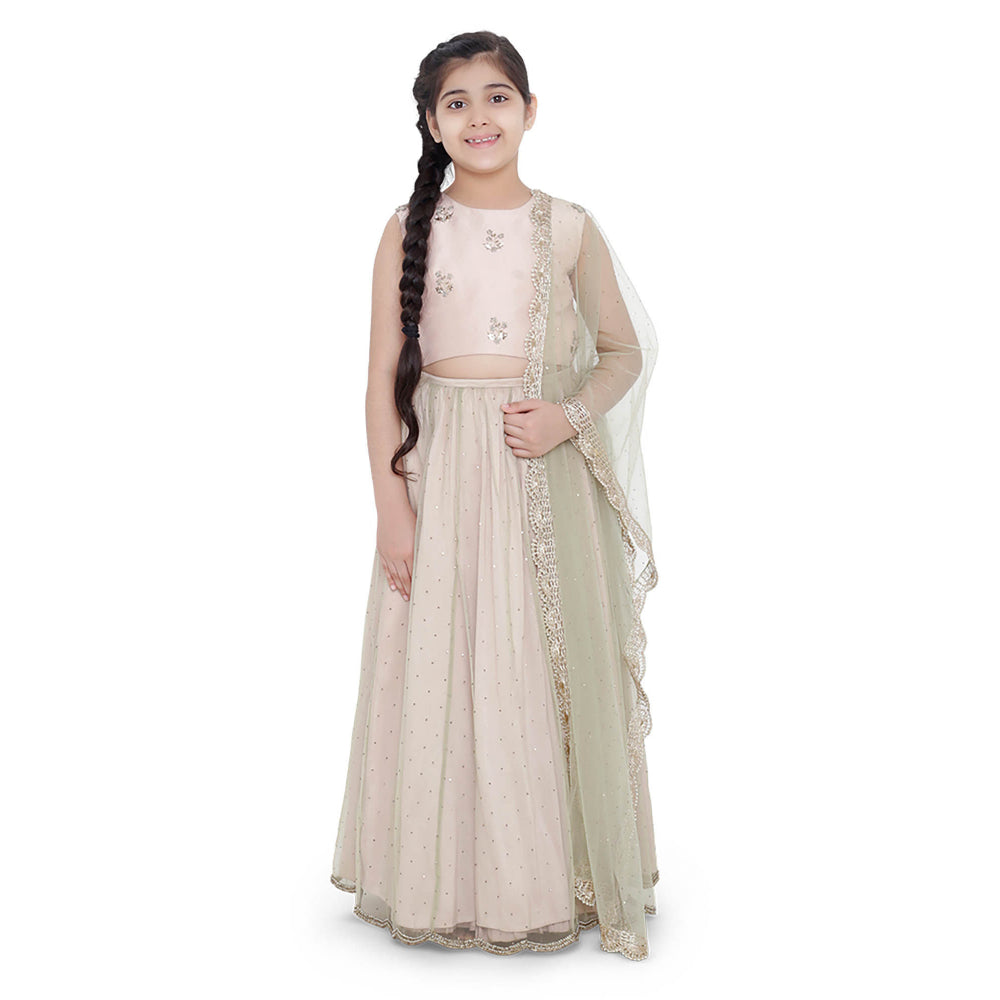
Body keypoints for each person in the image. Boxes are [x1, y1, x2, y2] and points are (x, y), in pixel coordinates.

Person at [330, 30, 661, 961]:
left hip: (537, 472)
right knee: (441, 662)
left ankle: (548, 879)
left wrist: (565, 416)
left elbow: (625, 351)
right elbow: (380, 378)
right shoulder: (408, 228)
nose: (480, 116)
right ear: (432, 123)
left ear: (530, 109)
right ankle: (439, 878)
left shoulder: (571, 226)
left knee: (529, 660)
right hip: (439, 475)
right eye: (457, 102)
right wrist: (391, 508)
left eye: (497, 96)